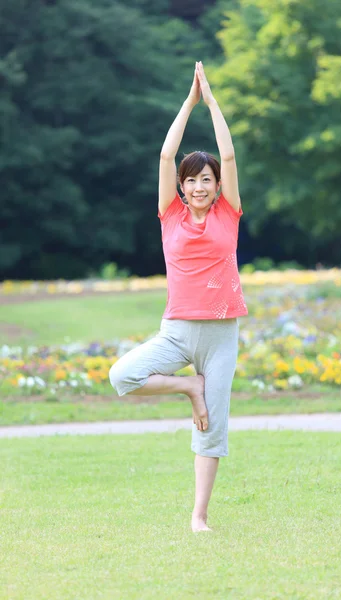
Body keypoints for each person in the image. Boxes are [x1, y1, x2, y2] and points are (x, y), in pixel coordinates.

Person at [109, 61, 248, 532]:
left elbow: (228, 159)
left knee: (212, 428)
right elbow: (166, 158)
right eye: (192, 181)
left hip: (221, 334)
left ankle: (199, 516)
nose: (199, 186)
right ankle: (190, 388)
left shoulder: (229, 212)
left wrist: (213, 104)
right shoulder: (170, 213)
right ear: (183, 189)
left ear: (215, 186)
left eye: (205, 179)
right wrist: (189, 104)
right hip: (178, 331)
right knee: (122, 375)